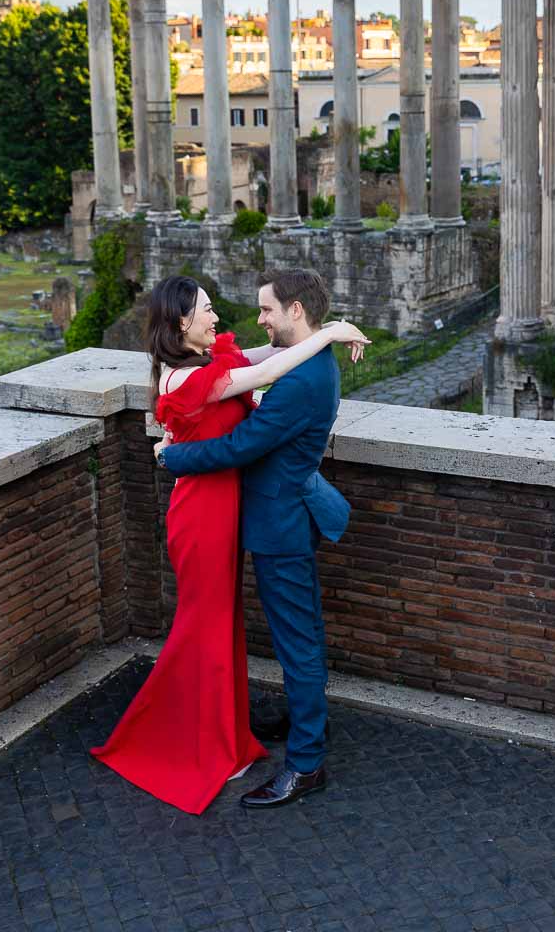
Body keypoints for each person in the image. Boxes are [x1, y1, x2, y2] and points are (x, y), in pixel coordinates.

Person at [91, 274, 368, 815]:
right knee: (285, 633)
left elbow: (243, 444)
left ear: (294, 310)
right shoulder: (303, 365)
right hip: (250, 516)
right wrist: (330, 332)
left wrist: (171, 458)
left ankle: (307, 761)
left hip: (280, 523)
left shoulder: (303, 377)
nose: (255, 320)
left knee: (297, 642)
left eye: (266, 311)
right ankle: (296, 720)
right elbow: (252, 377)